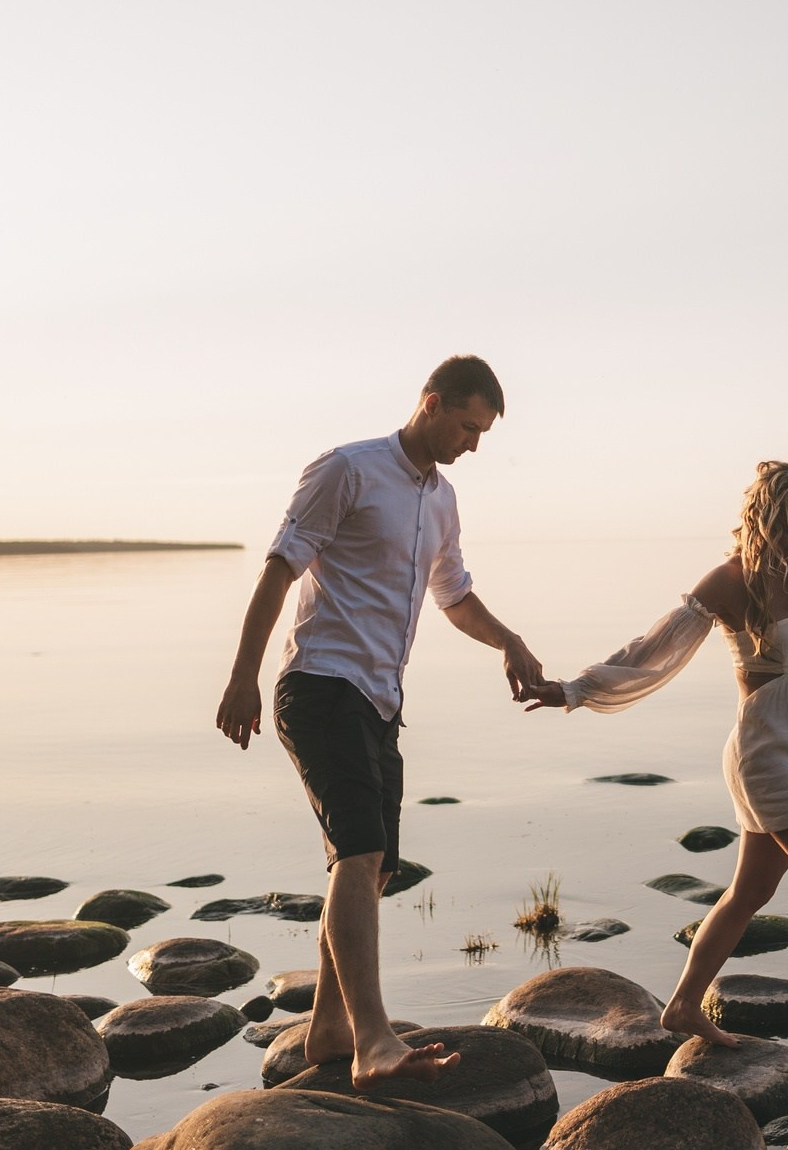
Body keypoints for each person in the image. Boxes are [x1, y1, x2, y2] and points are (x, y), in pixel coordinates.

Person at [529, 460, 788, 1080]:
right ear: (764, 519)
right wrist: (576, 689)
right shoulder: (730, 580)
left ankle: (683, 1005)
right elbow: (655, 651)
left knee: (750, 893)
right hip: (763, 757)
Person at [214, 354, 548, 1088]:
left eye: (483, 433)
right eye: (467, 426)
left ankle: (331, 1026)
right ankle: (373, 1041)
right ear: (431, 403)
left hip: (379, 700)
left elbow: (453, 595)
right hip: (319, 684)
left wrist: (509, 640)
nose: (473, 444)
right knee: (359, 852)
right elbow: (279, 568)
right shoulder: (348, 469)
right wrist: (242, 676)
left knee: (375, 866)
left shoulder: (443, 500)